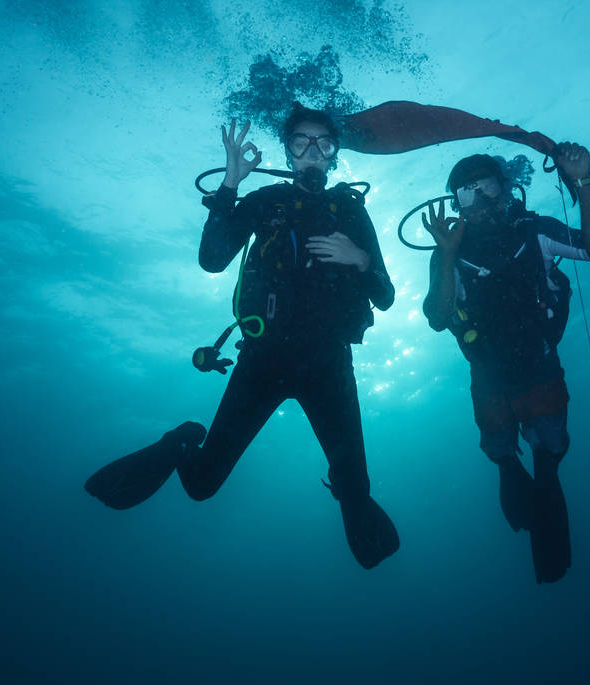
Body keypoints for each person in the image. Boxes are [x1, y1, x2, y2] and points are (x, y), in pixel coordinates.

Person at [85, 104, 400, 570]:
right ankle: (181, 440)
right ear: (289, 153)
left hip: (329, 364)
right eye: (301, 143)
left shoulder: (351, 213)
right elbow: (212, 260)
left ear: (335, 155)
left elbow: (386, 297)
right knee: (201, 486)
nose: (312, 152)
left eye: (323, 144)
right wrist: (230, 184)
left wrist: (361, 260)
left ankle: (352, 499)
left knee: (357, 487)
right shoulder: (266, 200)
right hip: (263, 360)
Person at [421, 144, 590, 583]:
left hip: (540, 367)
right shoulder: (450, 251)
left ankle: (544, 518)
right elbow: (436, 318)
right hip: (488, 375)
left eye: (486, 188)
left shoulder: (535, 231)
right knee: (504, 458)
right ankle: (512, 471)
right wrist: (447, 253)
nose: (481, 202)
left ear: (506, 189)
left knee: (548, 458)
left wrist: (582, 182)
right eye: (467, 195)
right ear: (456, 205)